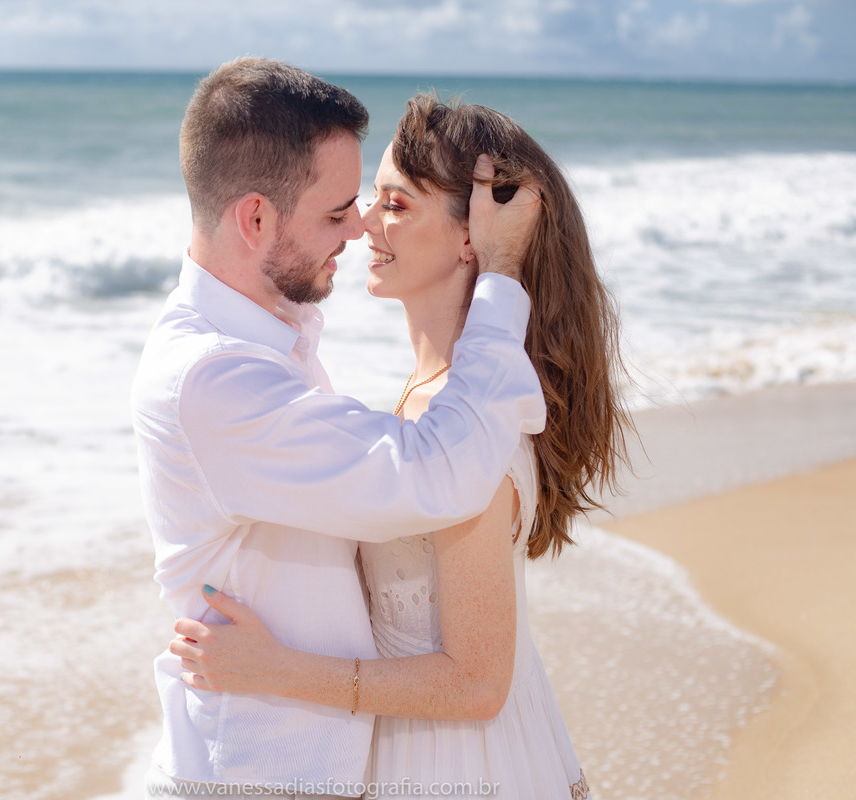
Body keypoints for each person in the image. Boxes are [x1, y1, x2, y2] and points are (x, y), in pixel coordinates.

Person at [170, 94, 631, 800]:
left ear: (471, 237)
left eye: (396, 204)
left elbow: (476, 682)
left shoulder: (463, 422)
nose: (362, 224)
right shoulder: (448, 402)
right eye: (368, 200)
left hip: (453, 764)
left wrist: (274, 671)